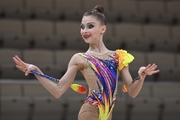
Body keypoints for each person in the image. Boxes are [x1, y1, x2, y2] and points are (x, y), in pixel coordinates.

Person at [13, 5, 160, 120]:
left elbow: (132, 92)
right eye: (82, 27)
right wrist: (36, 70)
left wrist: (141, 76)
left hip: (108, 113)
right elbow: (58, 90)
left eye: (90, 26)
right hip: (90, 111)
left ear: (103, 29)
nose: (84, 30)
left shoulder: (119, 56)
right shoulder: (80, 58)